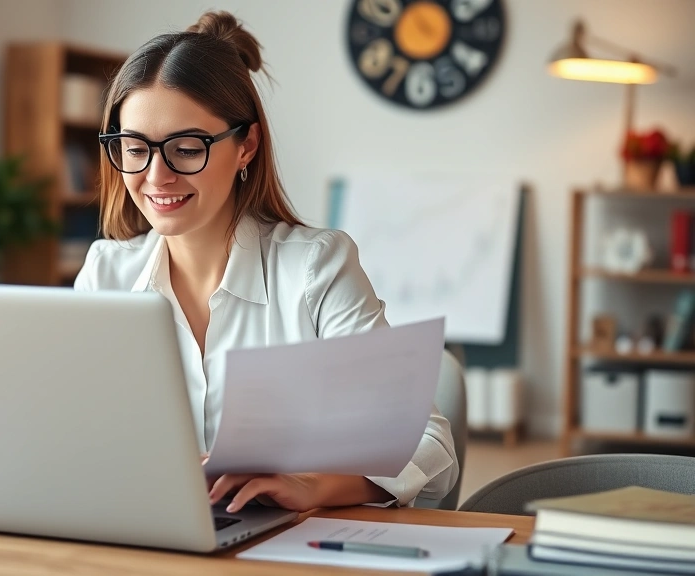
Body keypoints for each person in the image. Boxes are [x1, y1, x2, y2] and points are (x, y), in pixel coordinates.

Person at [74, 11, 457, 513]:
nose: (156, 176)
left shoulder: (316, 268)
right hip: (145, 535)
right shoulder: (105, 273)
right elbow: (75, 431)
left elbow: (429, 442)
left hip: (284, 542)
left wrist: (313, 485)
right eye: (134, 148)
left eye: (186, 149)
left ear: (246, 146)